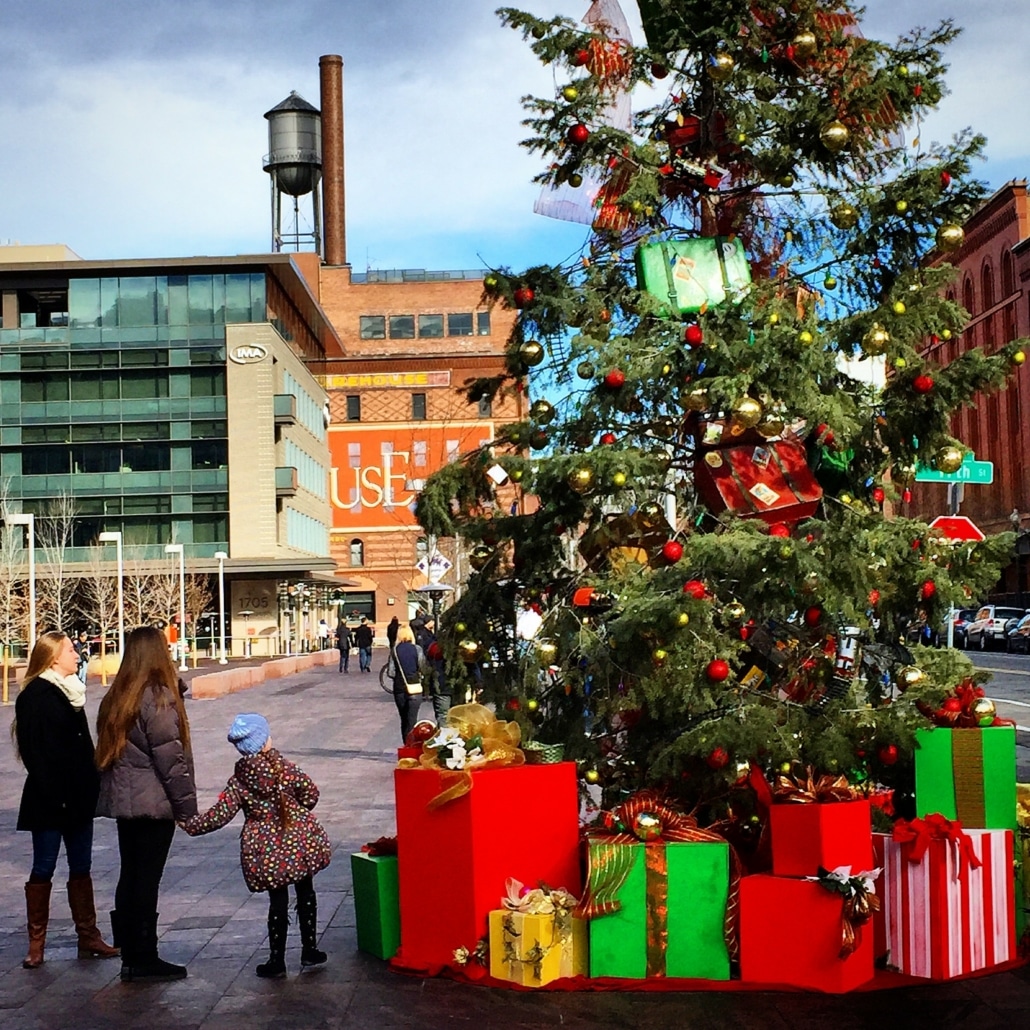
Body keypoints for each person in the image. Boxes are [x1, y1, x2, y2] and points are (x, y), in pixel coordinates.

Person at [180, 714, 331, 978]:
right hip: (298, 842)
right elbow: (311, 793)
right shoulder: (286, 768)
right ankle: (309, 949)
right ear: (263, 743)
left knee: (278, 900)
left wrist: (190, 825)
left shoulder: (239, 781)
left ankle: (277, 959)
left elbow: (220, 815)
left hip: (267, 850)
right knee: (305, 890)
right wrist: (297, 810)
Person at [95, 625, 197, 983]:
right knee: (146, 879)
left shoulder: (118, 696)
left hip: (126, 802)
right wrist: (186, 810)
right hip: (153, 803)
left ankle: (132, 952)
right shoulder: (157, 698)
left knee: (131, 874)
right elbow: (171, 760)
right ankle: (144, 956)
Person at [13, 631, 119, 969]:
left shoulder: (73, 692)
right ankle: (36, 943)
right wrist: (55, 793)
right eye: (71, 650)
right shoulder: (36, 695)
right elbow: (34, 752)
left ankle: (88, 936)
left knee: (81, 866)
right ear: (53, 657)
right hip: (49, 800)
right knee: (44, 866)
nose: (77, 655)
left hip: (77, 799)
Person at [391, 625, 427, 743]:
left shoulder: (395, 650)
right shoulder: (417, 649)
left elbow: (391, 672)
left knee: (404, 719)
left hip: (399, 688)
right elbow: (423, 667)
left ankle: (406, 744)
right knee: (412, 720)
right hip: (415, 687)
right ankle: (412, 747)